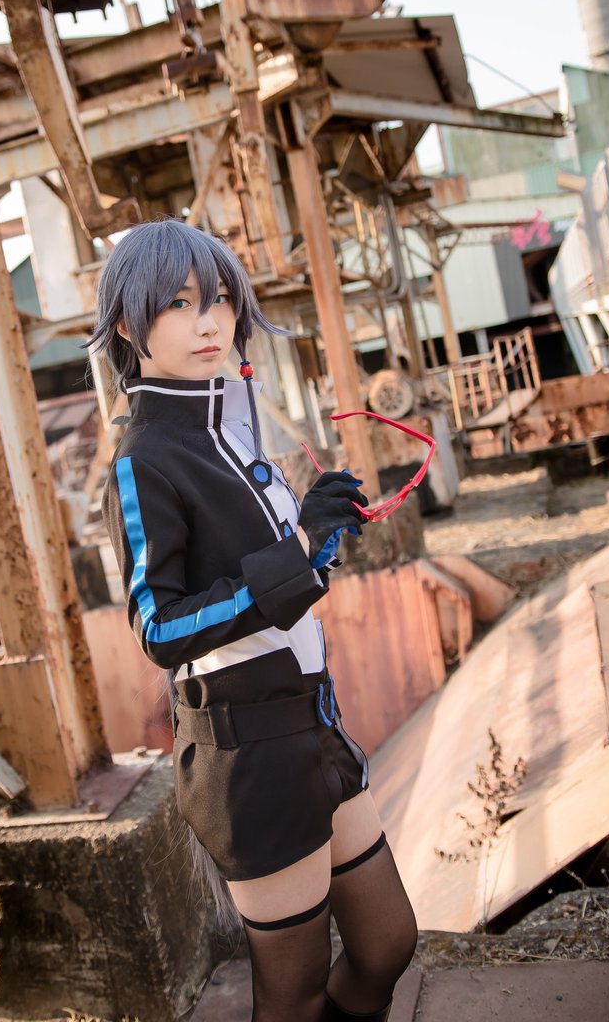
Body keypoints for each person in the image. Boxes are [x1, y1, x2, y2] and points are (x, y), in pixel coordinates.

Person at [87, 219, 417, 1022]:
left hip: (314, 726)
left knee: (387, 945)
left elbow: (271, 582)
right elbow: (160, 630)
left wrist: (316, 534)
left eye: (221, 299)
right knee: (291, 997)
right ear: (128, 326)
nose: (209, 321)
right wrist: (294, 554)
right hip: (248, 756)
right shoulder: (142, 459)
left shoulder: (229, 430)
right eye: (179, 303)